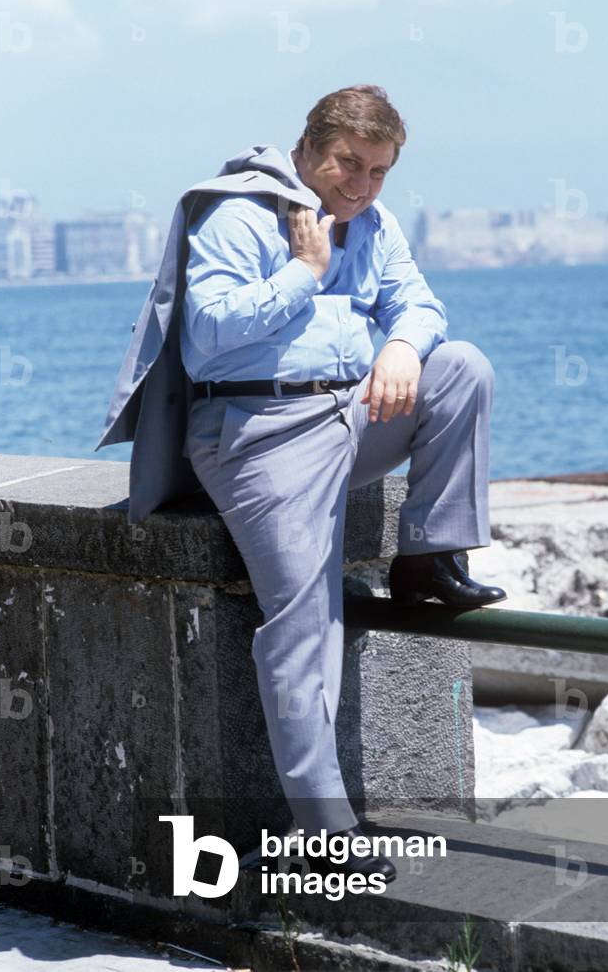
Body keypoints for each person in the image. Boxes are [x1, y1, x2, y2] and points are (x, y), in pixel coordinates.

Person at [180, 85, 506, 884]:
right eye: (348, 165)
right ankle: (325, 828)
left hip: (350, 415)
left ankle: (425, 556)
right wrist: (305, 271)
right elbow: (205, 339)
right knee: (303, 624)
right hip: (259, 434)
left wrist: (400, 344)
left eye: (380, 172)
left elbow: (420, 304)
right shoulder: (238, 213)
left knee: (458, 365)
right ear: (309, 147)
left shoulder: (378, 224)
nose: (361, 186)